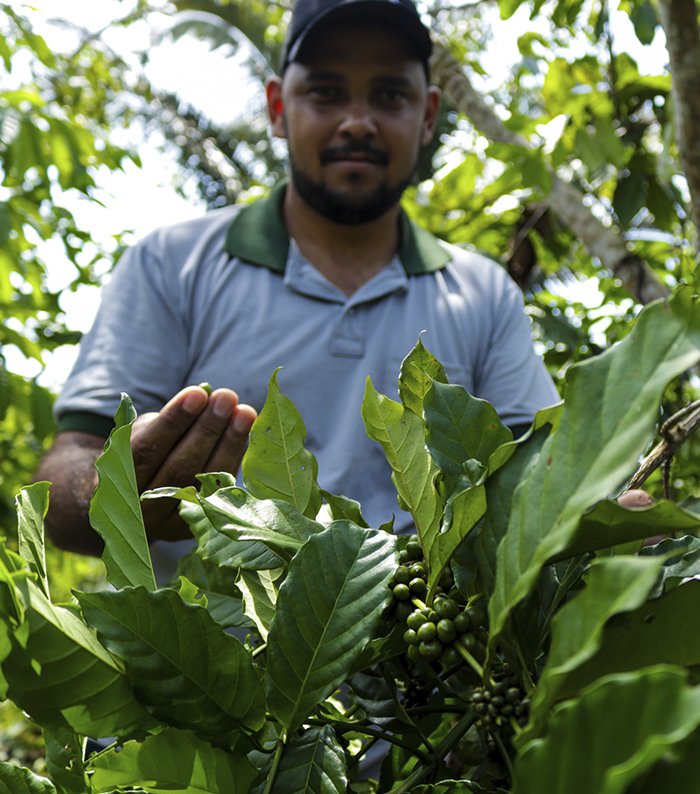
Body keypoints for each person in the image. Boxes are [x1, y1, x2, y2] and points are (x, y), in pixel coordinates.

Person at [35, 0, 560, 583]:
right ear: (278, 107)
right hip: (209, 671)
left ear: (428, 115)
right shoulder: (171, 264)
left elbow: (539, 480)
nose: (357, 121)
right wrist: (117, 493)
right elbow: (63, 482)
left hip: (433, 666)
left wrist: (600, 522)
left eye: (389, 96)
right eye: (327, 93)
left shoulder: (483, 294)